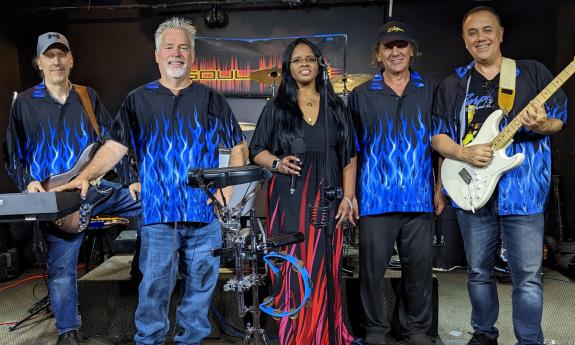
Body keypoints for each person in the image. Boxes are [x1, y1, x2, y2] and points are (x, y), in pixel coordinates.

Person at [55, 17, 248, 345]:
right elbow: (114, 148)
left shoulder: (212, 99)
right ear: (157, 55)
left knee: (200, 292)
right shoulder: (137, 100)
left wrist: (227, 193)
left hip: (204, 215)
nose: (177, 53)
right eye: (169, 47)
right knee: (154, 289)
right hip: (158, 215)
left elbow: (239, 147)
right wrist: (84, 177)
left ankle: (190, 341)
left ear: (193, 56)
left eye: (184, 48)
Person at [431, 6, 568, 345]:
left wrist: (541, 124)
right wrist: (463, 153)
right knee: (478, 273)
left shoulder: (532, 73)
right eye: (473, 33)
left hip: (523, 192)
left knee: (528, 278)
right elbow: (437, 136)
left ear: (501, 33)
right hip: (473, 193)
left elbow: (558, 120)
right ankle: (483, 334)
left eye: (487, 30)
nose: (481, 37)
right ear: (464, 41)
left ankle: (530, 340)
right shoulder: (454, 85)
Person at [4, 32, 141, 345]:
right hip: (58, 198)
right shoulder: (25, 103)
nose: (56, 61)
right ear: (38, 62)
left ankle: (142, 268)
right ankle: (68, 331)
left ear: (71, 59)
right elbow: (11, 154)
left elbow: (112, 141)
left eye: (61, 54)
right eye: (49, 56)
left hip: (95, 189)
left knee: (149, 202)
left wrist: (131, 177)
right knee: (62, 265)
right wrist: (28, 182)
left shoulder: (86, 96)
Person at [249, 38, 357, 345]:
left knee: (325, 266)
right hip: (288, 200)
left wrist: (348, 198)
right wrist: (277, 162)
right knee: (293, 266)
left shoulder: (336, 107)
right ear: (288, 68)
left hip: (329, 197)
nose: (305, 63)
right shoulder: (276, 108)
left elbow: (349, 157)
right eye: (297, 60)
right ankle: (293, 335)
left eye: (310, 58)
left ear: (320, 64)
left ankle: (325, 333)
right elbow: (256, 149)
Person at [347, 21, 446, 345]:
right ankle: (376, 330)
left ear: (412, 50)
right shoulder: (361, 95)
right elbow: (351, 151)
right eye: (388, 46)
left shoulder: (430, 88)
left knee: (418, 273)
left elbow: (441, 142)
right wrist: (351, 196)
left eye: (401, 45)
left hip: (419, 199)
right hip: (375, 200)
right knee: (371, 276)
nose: (395, 51)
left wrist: (439, 187)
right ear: (378, 53)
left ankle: (416, 329)